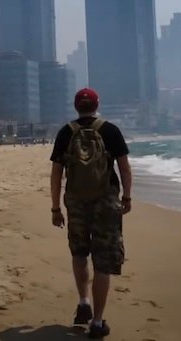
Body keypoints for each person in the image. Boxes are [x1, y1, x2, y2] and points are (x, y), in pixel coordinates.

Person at [50, 88, 132, 339]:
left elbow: (56, 174)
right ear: (97, 104)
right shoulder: (110, 130)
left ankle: (84, 302)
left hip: (76, 201)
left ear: (76, 107)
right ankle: (97, 322)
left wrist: (55, 207)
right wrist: (126, 197)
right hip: (105, 201)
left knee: (79, 252)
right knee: (103, 261)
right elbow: (124, 168)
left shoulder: (66, 132)